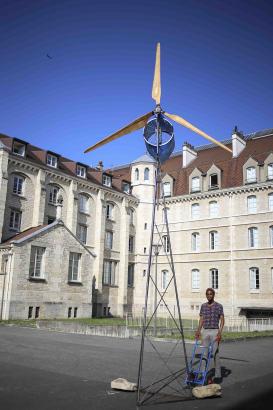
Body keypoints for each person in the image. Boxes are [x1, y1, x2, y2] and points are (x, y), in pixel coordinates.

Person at [195, 288, 225, 383]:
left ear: (213, 295)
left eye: (211, 294)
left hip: (215, 331)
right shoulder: (203, 306)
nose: (209, 296)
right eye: (207, 294)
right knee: (204, 353)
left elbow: (222, 320)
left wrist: (220, 332)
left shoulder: (219, 306)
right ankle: (203, 375)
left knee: (215, 353)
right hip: (205, 331)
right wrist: (198, 331)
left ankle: (217, 375)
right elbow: (201, 319)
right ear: (206, 295)